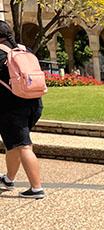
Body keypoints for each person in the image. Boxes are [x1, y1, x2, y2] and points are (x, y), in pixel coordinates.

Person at [0, 20, 44, 199]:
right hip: (34, 102)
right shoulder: (23, 49)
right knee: (14, 144)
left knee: (23, 146)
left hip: (12, 108)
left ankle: (36, 188)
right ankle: (9, 179)